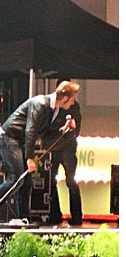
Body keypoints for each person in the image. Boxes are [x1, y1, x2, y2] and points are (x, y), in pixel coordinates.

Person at [0, 80, 80, 227]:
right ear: (65, 98)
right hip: (9, 138)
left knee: (27, 182)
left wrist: (64, 130)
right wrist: (30, 158)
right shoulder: (40, 103)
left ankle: (23, 218)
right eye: (72, 99)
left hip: (18, 142)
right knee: (16, 178)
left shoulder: (54, 110)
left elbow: (45, 135)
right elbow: (30, 130)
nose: (73, 103)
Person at [43, 78, 83, 226]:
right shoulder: (71, 106)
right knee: (64, 182)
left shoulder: (60, 105)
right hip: (62, 147)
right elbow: (76, 127)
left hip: (60, 147)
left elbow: (75, 127)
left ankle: (58, 215)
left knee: (59, 181)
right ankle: (73, 216)